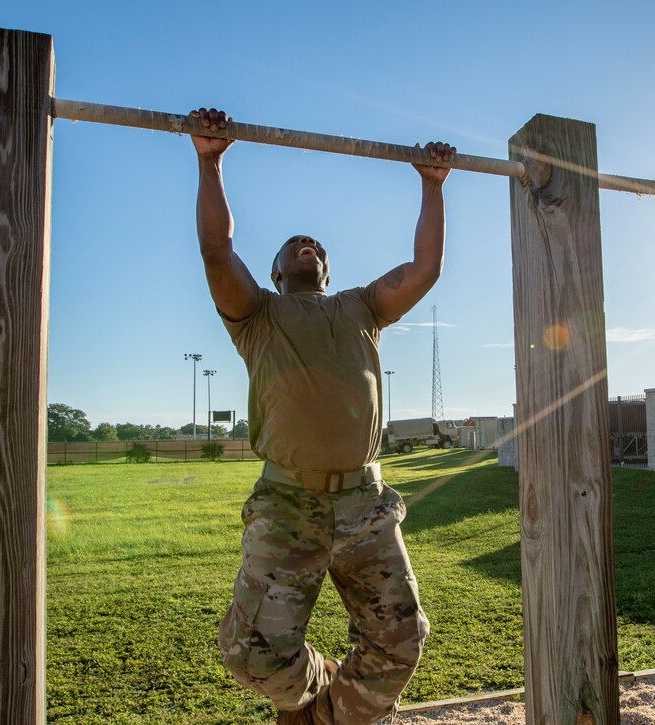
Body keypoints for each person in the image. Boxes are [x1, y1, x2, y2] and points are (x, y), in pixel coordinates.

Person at [189, 107, 456, 724]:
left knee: (402, 641)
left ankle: (324, 718)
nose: (309, 244)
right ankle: (323, 687)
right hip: (288, 504)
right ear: (276, 271)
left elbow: (425, 270)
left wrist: (431, 186)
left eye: (318, 247)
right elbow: (215, 250)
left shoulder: (361, 307)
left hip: (365, 502)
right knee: (249, 655)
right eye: (294, 245)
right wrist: (211, 161)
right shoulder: (257, 316)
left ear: (326, 271)